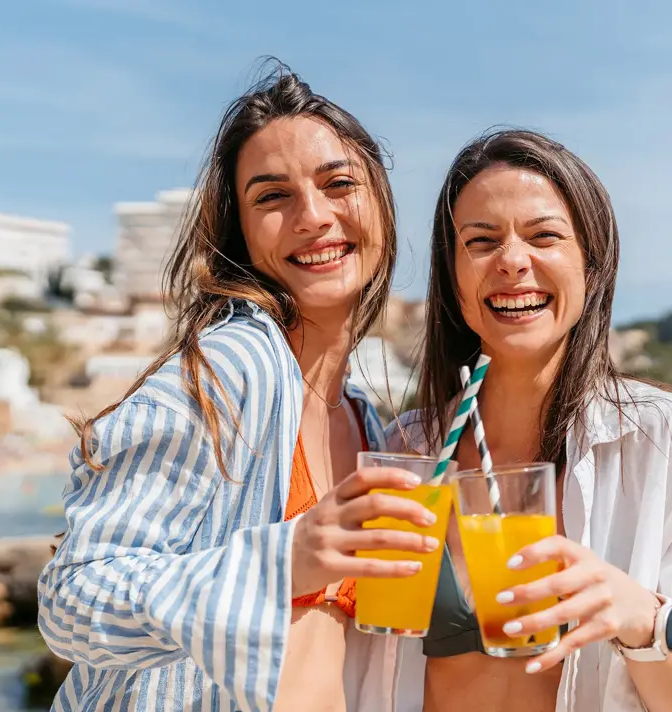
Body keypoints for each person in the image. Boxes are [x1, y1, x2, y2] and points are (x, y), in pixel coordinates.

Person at [37, 63, 440, 712]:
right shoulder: (230, 369)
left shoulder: (367, 421)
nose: (313, 216)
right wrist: (286, 561)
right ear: (242, 235)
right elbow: (73, 600)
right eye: (272, 197)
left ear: (381, 205)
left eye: (339, 184)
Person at [378, 129, 672, 711]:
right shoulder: (405, 448)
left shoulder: (662, 440)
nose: (513, 261)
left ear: (592, 265)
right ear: (454, 280)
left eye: (544, 237)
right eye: (481, 241)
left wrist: (638, 616)